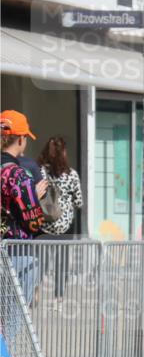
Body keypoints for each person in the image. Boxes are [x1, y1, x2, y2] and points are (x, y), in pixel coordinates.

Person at [1, 109, 47, 308]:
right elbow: (34, 222)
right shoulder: (18, 175)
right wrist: (34, 197)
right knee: (13, 317)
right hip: (17, 252)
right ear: (20, 139)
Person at [36, 136, 84, 308]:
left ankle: (35, 292)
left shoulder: (41, 171)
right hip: (64, 225)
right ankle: (58, 298)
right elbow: (79, 202)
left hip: (44, 223)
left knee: (40, 259)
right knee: (62, 262)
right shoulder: (72, 175)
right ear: (64, 152)